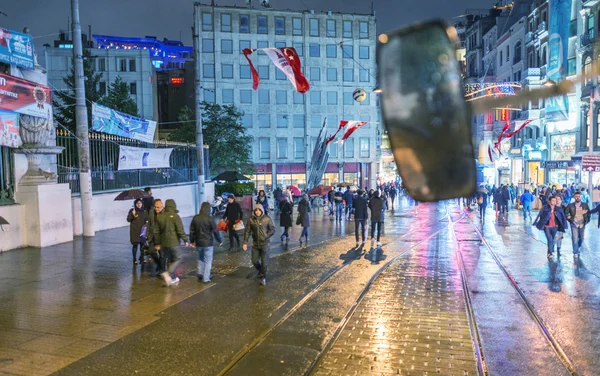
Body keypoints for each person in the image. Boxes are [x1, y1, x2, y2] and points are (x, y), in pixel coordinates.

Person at [153, 199, 189, 286]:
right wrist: (185, 240)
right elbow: (180, 230)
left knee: (170, 260)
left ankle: (172, 278)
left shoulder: (160, 216)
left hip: (164, 243)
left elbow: (156, 231)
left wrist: (157, 243)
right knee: (179, 258)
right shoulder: (175, 216)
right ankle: (168, 273)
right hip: (174, 242)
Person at [242, 204, 275, 286]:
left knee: (265, 263)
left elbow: (273, 229)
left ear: (261, 211)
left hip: (265, 244)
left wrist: (266, 236)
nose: (257, 212)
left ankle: (263, 277)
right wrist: (245, 242)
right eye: (256, 210)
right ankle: (261, 270)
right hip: (255, 244)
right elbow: (247, 231)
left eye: (259, 210)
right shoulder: (251, 220)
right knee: (254, 260)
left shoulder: (267, 219)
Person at [190, 202, 223, 284]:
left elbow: (192, 231)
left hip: (199, 242)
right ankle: (206, 278)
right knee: (208, 261)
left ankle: (200, 273)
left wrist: (192, 241)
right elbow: (215, 231)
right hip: (208, 243)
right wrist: (219, 240)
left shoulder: (195, 218)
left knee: (200, 258)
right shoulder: (210, 218)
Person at [564, 191, 590, 258]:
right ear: (574, 197)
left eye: (579, 196)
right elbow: (566, 212)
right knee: (575, 238)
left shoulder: (585, 205)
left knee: (581, 238)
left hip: (582, 224)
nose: (577, 198)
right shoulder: (570, 205)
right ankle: (575, 252)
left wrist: (586, 220)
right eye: (576, 196)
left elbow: (588, 213)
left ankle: (577, 247)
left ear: (580, 197)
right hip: (574, 224)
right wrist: (568, 217)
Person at [146, 199, 165, 276]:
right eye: (156, 207)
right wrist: (147, 233)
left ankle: (162, 270)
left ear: (162, 207)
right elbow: (149, 223)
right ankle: (160, 265)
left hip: (160, 237)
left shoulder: (164, 214)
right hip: (152, 235)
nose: (157, 209)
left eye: (159, 207)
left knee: (162, 254)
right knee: (151, 251)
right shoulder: (151, 212)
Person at [127, 199, 148, 265]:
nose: (139, 205)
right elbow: (128, 219)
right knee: (135, 245)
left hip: (142, 231)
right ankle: (134, 259)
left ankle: (142, 258)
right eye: (137, 203)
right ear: (135, 204)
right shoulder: (132, 211)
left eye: (140, 203)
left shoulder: (144, 211)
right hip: (135, 231)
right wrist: (133, 214)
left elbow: (146, 220)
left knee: (142, 246)